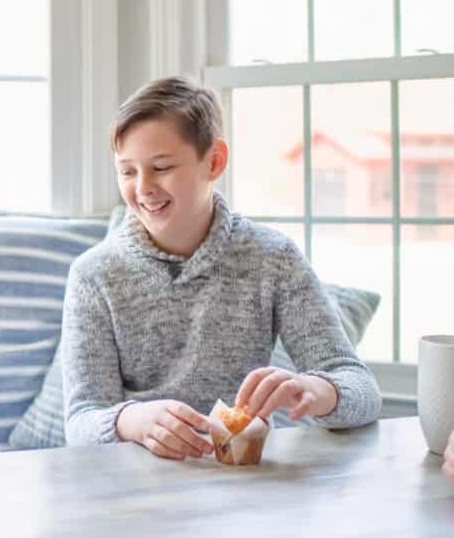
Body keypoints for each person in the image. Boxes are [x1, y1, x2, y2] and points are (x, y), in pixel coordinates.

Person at [62, 77, 382, 460]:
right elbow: (81, 423)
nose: (143, 188)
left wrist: (316, 391)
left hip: (242, 483)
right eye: (127, 171)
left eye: (161, 167)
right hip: (134, 491)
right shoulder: (93, 274)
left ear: (214, 161)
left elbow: (361, 390)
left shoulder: (272, 257)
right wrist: (132, 420)